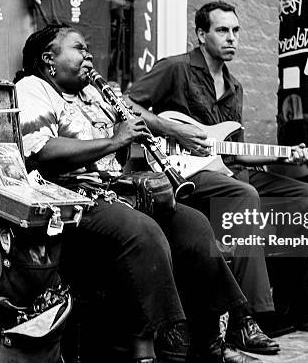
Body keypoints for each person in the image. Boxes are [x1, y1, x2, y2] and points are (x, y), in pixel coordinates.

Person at [14, 22, 262, 363]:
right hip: (71, 198)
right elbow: (42, 152)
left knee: (194, 226)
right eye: (78, 48)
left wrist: (129, 134)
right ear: (49, 60)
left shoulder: (92, 94)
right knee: (142, 231)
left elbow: (119, 149)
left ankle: (211, 342)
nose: (88, 55)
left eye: (88, 49)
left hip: (114, 192)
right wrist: (116, 139)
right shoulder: (33, 88)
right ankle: (170, 340)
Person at [125, 0, 308, 356]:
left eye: (235, 31)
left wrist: (288, 154)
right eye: (222, 30)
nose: (231, 38)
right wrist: (172, 128)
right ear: (201, 35)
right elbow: (126, 104)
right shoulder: (175, 69)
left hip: (228, 171)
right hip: (186, 176)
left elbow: (232, 150)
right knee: (245, 194)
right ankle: (242, 319)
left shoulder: (235, 86)